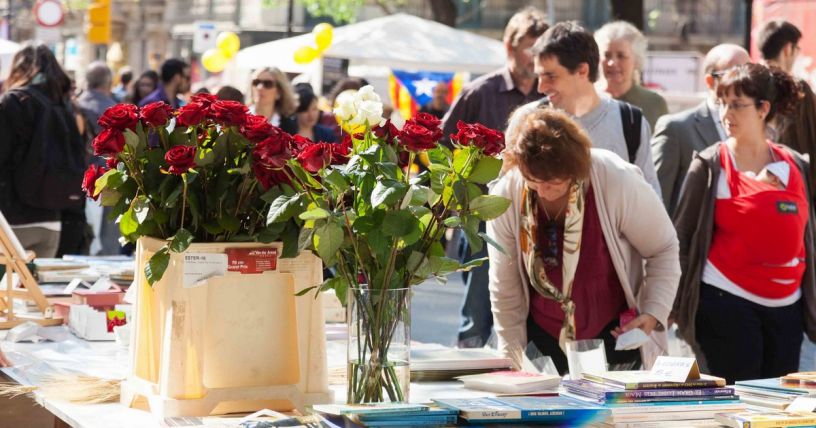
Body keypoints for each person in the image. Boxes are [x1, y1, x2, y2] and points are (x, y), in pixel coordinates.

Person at [488, 108, 679, 373]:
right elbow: (504, 288)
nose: (543, 191)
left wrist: (653, 312)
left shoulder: (614, 177)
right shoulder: (508, 193)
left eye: (553, 183)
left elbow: (664, 247)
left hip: (613, 334)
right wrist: (512, 362)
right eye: (533, 181)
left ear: (575, 167)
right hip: (541, 336)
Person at [673, 63, 815, 384]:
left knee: (780, 408)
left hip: (786, 309)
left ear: (764, 109)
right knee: (738, 403)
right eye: (722, 103)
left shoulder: (795, 164)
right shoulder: (709, 165)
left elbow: (808, 235)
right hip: (726, 303)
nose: (726, 114)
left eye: (737, 105)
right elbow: (681, 237)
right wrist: (674, 308)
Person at [441, 6, 549, 348]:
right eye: (527, 47)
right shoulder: (480, 92)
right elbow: (442, 148)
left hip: (536, 217)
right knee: (478, 312)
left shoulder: (549, 98)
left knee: (533, 308)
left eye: (539, 49)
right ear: (509, 47)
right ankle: (468, 371)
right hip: (481, 217)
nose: (532, 57)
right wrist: (458, 203)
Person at [507, 21, 660, 194]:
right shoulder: (525, 120)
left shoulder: (631, 122)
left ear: (582, 71)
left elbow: (651, 195)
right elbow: (502, 194)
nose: (541, 87)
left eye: (550, 76)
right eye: (539, 76)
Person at [0, 42, 86, 259]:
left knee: (7, 290)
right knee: (37, 289)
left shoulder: (13, 101)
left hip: (11, 218)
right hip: (53, 219)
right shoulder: (67, 107)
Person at [651, 44, 750, 215]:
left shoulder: (757, 128)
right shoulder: (677, 129)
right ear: (710, 82)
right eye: (734, 75)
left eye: (748, 74)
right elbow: (655, 200)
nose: (744, 83)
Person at [594, 21, 668, 131]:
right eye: (607, 55)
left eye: (621, 56)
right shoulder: (587, 99)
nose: (612, 63)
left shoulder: (654, 103)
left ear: (636, 60)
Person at [248, 67, 297, 134]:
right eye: (256, 82)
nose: (260, 87)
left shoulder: (288, 126)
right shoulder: (240, 118)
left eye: (268, 84)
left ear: (279, 92)